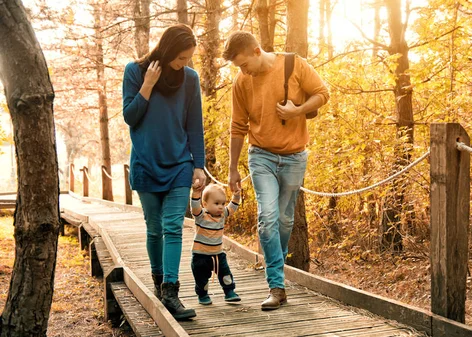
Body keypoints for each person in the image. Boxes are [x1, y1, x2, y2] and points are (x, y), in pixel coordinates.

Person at [222, 31, 330, 311]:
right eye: (238, 67)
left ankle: (276, 267)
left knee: (283, 220)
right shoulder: (241, 82)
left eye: (244, 64)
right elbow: (237, 127)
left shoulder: (294, 65)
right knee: (267, 217)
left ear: (257, 51)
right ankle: (276, 286)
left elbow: (322, 93)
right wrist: (233, 168)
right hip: (261, 156)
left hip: (295, 157)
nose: (243, 71)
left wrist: (298, 111)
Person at [122, 24, 205, 320]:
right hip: (146, 164)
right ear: (168, 50)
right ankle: (158, 280)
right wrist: (148, 84)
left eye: (189, 59)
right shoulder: (134, 71)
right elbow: (130, 116)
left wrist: (198, 164)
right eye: (181, 58)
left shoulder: (190, 79)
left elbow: (195, 124)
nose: (185, 64)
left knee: (173, 226)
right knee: (154, 228)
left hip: (179, 165)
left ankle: (171, 291)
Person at [190, 183, 242, 305]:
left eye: (223, 203)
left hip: (218, 255)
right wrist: (196, 194)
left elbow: (233, 207)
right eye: (217, 203)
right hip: (200, 255)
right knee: (201, 279)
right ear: (205, 204)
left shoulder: (223, 214)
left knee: (225, 274)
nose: (220, 207)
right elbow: (195, 207)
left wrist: (236, 195)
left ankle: (229, 292)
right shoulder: (201, 216)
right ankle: (203, 295)